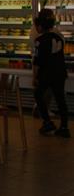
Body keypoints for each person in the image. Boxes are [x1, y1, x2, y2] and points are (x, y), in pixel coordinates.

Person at [33, 9, 69, 138]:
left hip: (47, 73)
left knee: (38, 94)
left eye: (37, 26)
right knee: (60, 99)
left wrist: (35, 77)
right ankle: (64, 127)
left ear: (41, 26)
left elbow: (37, 61)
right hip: (60, 72)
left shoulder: (40, 40)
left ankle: (47, 122)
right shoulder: (59, 37)